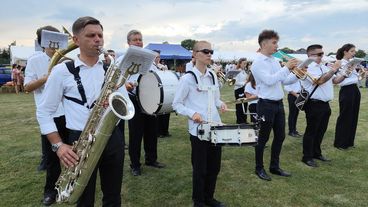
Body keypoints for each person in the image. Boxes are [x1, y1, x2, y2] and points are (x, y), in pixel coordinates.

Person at [37, 16, 126, 206]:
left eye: (100, 35)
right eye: (91, 35)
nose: (98, 40)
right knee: (83, 199)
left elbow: (123, 101)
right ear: (76, 40)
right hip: (80, 140)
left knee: (113, 196)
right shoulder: (61, 72)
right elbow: (44, 112)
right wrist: (58, 145)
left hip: (112, 137)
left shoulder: (112, 69)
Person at [173, 40, 227, 207]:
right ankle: (199, 201)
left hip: (215, 127)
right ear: (195, 55)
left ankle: (209, 198)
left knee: (214, 168)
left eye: (211, 51)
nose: (210, 54)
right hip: (198, 130)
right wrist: (192, 113)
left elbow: (215, 99)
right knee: (200, 169)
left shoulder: (212, 76)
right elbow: (177, 104)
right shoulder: (187, 79)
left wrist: (221, 104)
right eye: (205, 51)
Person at [24, 25, 68, 205]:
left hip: (68, 113)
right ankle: (51, 191)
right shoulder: (35, 60)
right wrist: (48, 77)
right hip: (49, 115)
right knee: (52, 158)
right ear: (43, 41)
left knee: (74, 151)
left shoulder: (67, 60)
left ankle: (71, 184)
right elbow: (27, 87)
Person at [251, 30, 299, 181]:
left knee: (280, 136)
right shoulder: (258, 62)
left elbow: (283, 81)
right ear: (264, 44)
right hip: (265, 104)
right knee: (262, 139)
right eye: (274, 42)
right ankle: (259, 168)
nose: (276, 46)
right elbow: (270, 81)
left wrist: (296, 74)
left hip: (278, 104)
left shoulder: (273, 60)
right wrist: (287, 68)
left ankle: (274, 166)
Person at [124, 30, 165, 176]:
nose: (138, 42)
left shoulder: (149, 59)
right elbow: (117, 79)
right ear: (128, 42)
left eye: (140, 39)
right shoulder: (122, 59)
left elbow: (154, 76)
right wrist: (125, 85)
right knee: (136, 134)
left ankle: (151, 159)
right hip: (134, 99)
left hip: (149, 99)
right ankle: (135, 164)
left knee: (151, 132)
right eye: (135, 39)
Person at [301, 44, 342, 167]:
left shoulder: (323, 67)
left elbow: (335, 81)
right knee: (311, 131)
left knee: (321, 130)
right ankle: (307, 156)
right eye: (319, 54)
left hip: (325, 104)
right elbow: (319, 81)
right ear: (310, 55)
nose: (321, 56)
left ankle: (316, 153)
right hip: (314, 104)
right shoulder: (308, 67)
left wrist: (346, 73)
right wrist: (333, 69)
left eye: (322, 53)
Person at [333, 44, 361, 150]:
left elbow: (355, 78)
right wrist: (348, 69)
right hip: (346, 90)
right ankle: (340, 143)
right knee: (345, 116)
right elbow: (338, 79)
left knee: (353, 116)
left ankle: (349, 141)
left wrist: (360, 73)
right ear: (345, 52)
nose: (354, 53)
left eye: (354, 51)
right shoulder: (340, 62)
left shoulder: (352, 63)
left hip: (354, 89)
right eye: (352, 51)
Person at [153, 50, 172, 138]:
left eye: (159, 57)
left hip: (164, 91)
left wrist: (165, 70)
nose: (157, 59)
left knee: (166, 112)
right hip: (155, 92)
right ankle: (158, 132)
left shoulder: (162, 66)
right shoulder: (151, 67)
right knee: (158, 113)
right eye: (156, 57)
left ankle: (165, 130)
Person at [233, 58, 249, 124]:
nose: (245, 65)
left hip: (244, 89)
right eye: (244, 63)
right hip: (238, 90)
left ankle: (244, 120)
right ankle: (240, 121)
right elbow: (234, 82)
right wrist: (244, 83)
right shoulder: (237, 71)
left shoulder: (244, 71)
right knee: (240, 106)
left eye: (246, 63)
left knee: (245, 105)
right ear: (240, 64)